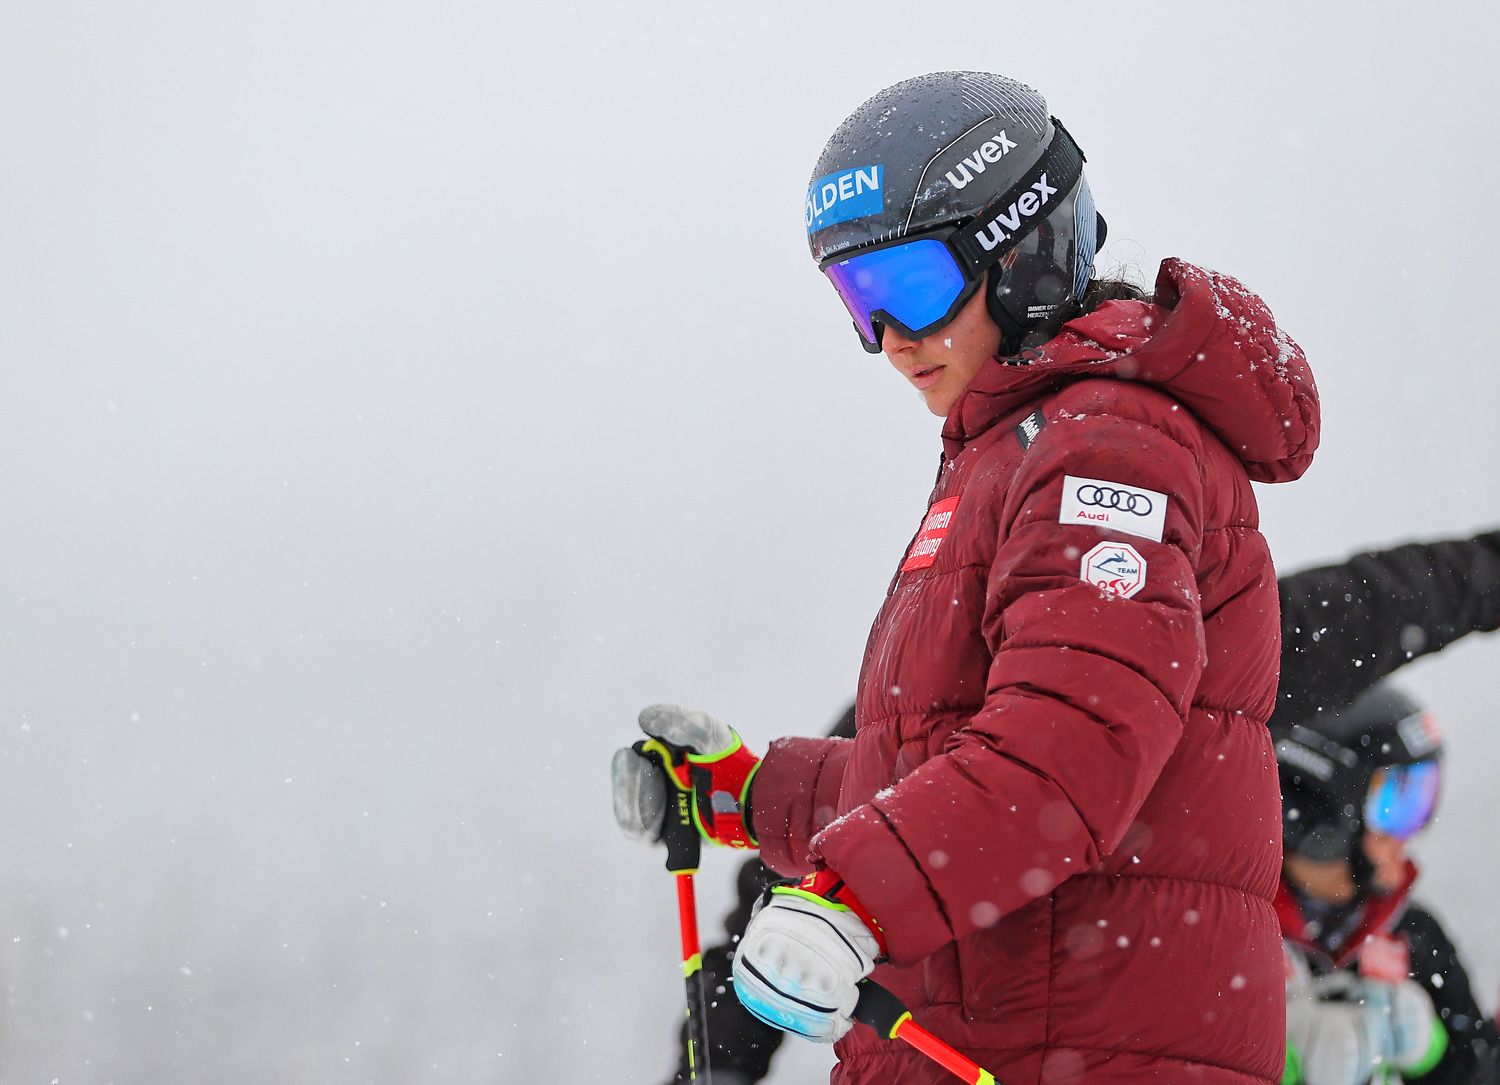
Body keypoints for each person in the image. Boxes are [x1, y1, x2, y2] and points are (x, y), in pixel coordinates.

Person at [614, 70, 1321, 1085]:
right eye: (859, 299)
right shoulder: (1018, 445)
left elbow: (1068, 747)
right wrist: (755, 792)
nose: (890, 339)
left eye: (910, 287)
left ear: (1026, 253)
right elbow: (955, 758)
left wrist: (854, 897)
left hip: (1081, 1047)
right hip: (1004, 1037)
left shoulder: (1107, 446)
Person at [661, 528, 1500, 1085]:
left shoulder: (1199, 660)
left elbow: (1378, 604)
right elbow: (811, 844)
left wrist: (1428, 1052)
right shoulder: (941, 692)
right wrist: (719, 1064)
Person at [1276, 684, 1500, 1085]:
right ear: (1323, 817)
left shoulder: (1415, 937)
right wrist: (1277, 1066)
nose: (1409, 836)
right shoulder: (1231, 934)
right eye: (1396, 805)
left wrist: (1434, 1054)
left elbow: (1481, 1068)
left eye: (1422, 799)